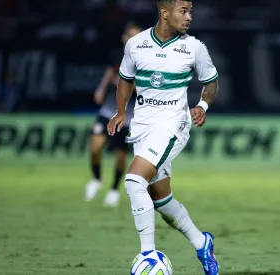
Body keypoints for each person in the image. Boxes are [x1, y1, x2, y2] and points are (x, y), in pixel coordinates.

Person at [107, 1, 219, 274]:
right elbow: (125, 78)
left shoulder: (194, 48)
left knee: (134, 181)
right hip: (143, 127)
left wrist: (202, 107)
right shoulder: (136, 44)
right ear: (165, 13)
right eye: (184, 11)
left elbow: (211, 83)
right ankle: (201, 242)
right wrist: (121, 111)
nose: (189, 17)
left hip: (173, 125)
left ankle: (148, 257)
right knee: (161, 201)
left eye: (191, 11)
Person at [84, 22, 143, 207]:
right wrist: (101, 88)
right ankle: (96, 178)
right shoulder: (117, 56)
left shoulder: (146, 61)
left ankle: (114, 190)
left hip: (128, 116)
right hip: (108, 110)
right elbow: (111, 72)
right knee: (95, 147)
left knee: (120, 156)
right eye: (129, 36)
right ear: (124, 38)